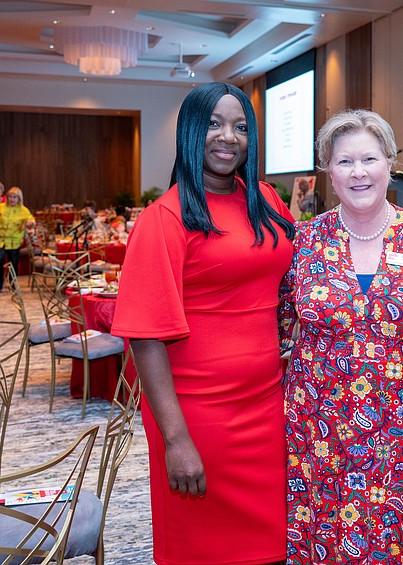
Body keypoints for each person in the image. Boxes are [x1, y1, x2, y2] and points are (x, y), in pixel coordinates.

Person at [111, 82, 295, 565]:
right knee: (205, 548)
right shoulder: (165, 218)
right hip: (198, 415)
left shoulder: (267, 201)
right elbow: (145, 336)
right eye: (213, 124)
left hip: (267, 404)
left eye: (239, 127)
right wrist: (176, 439)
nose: (227, 137)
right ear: (191, 131)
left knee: (273, 544)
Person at [279, 109, 403, 564]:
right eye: (344, 162)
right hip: (318, 432)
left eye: (369, 159)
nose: (358, 173)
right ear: (327, 171)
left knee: (401, 544)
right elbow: (276, 332)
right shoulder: (302, 242)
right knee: (323, 542)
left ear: (390, 162)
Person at [0, 186, 35, 292]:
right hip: (0, 239)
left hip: (14, 240)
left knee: (13, 263)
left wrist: (30, 223)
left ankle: (13, 283)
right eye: (10, 197)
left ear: (19, 199)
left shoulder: (23, 210)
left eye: (14, 197)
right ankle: (0, 282)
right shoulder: (1, 207)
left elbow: (31, 221)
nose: (12, 199)